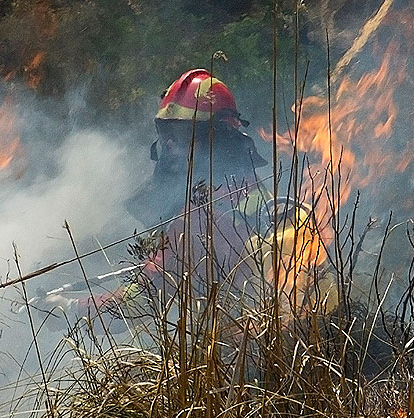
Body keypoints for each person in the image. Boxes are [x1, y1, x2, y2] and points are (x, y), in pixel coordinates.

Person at [39, 69, 338, 331]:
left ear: (213, 138)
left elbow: (142, 300)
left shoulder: (199, 217)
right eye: (166, 133)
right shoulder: (258, 194)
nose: (169, 145)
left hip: (243, 370)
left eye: (181, 135)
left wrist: (71, 309)